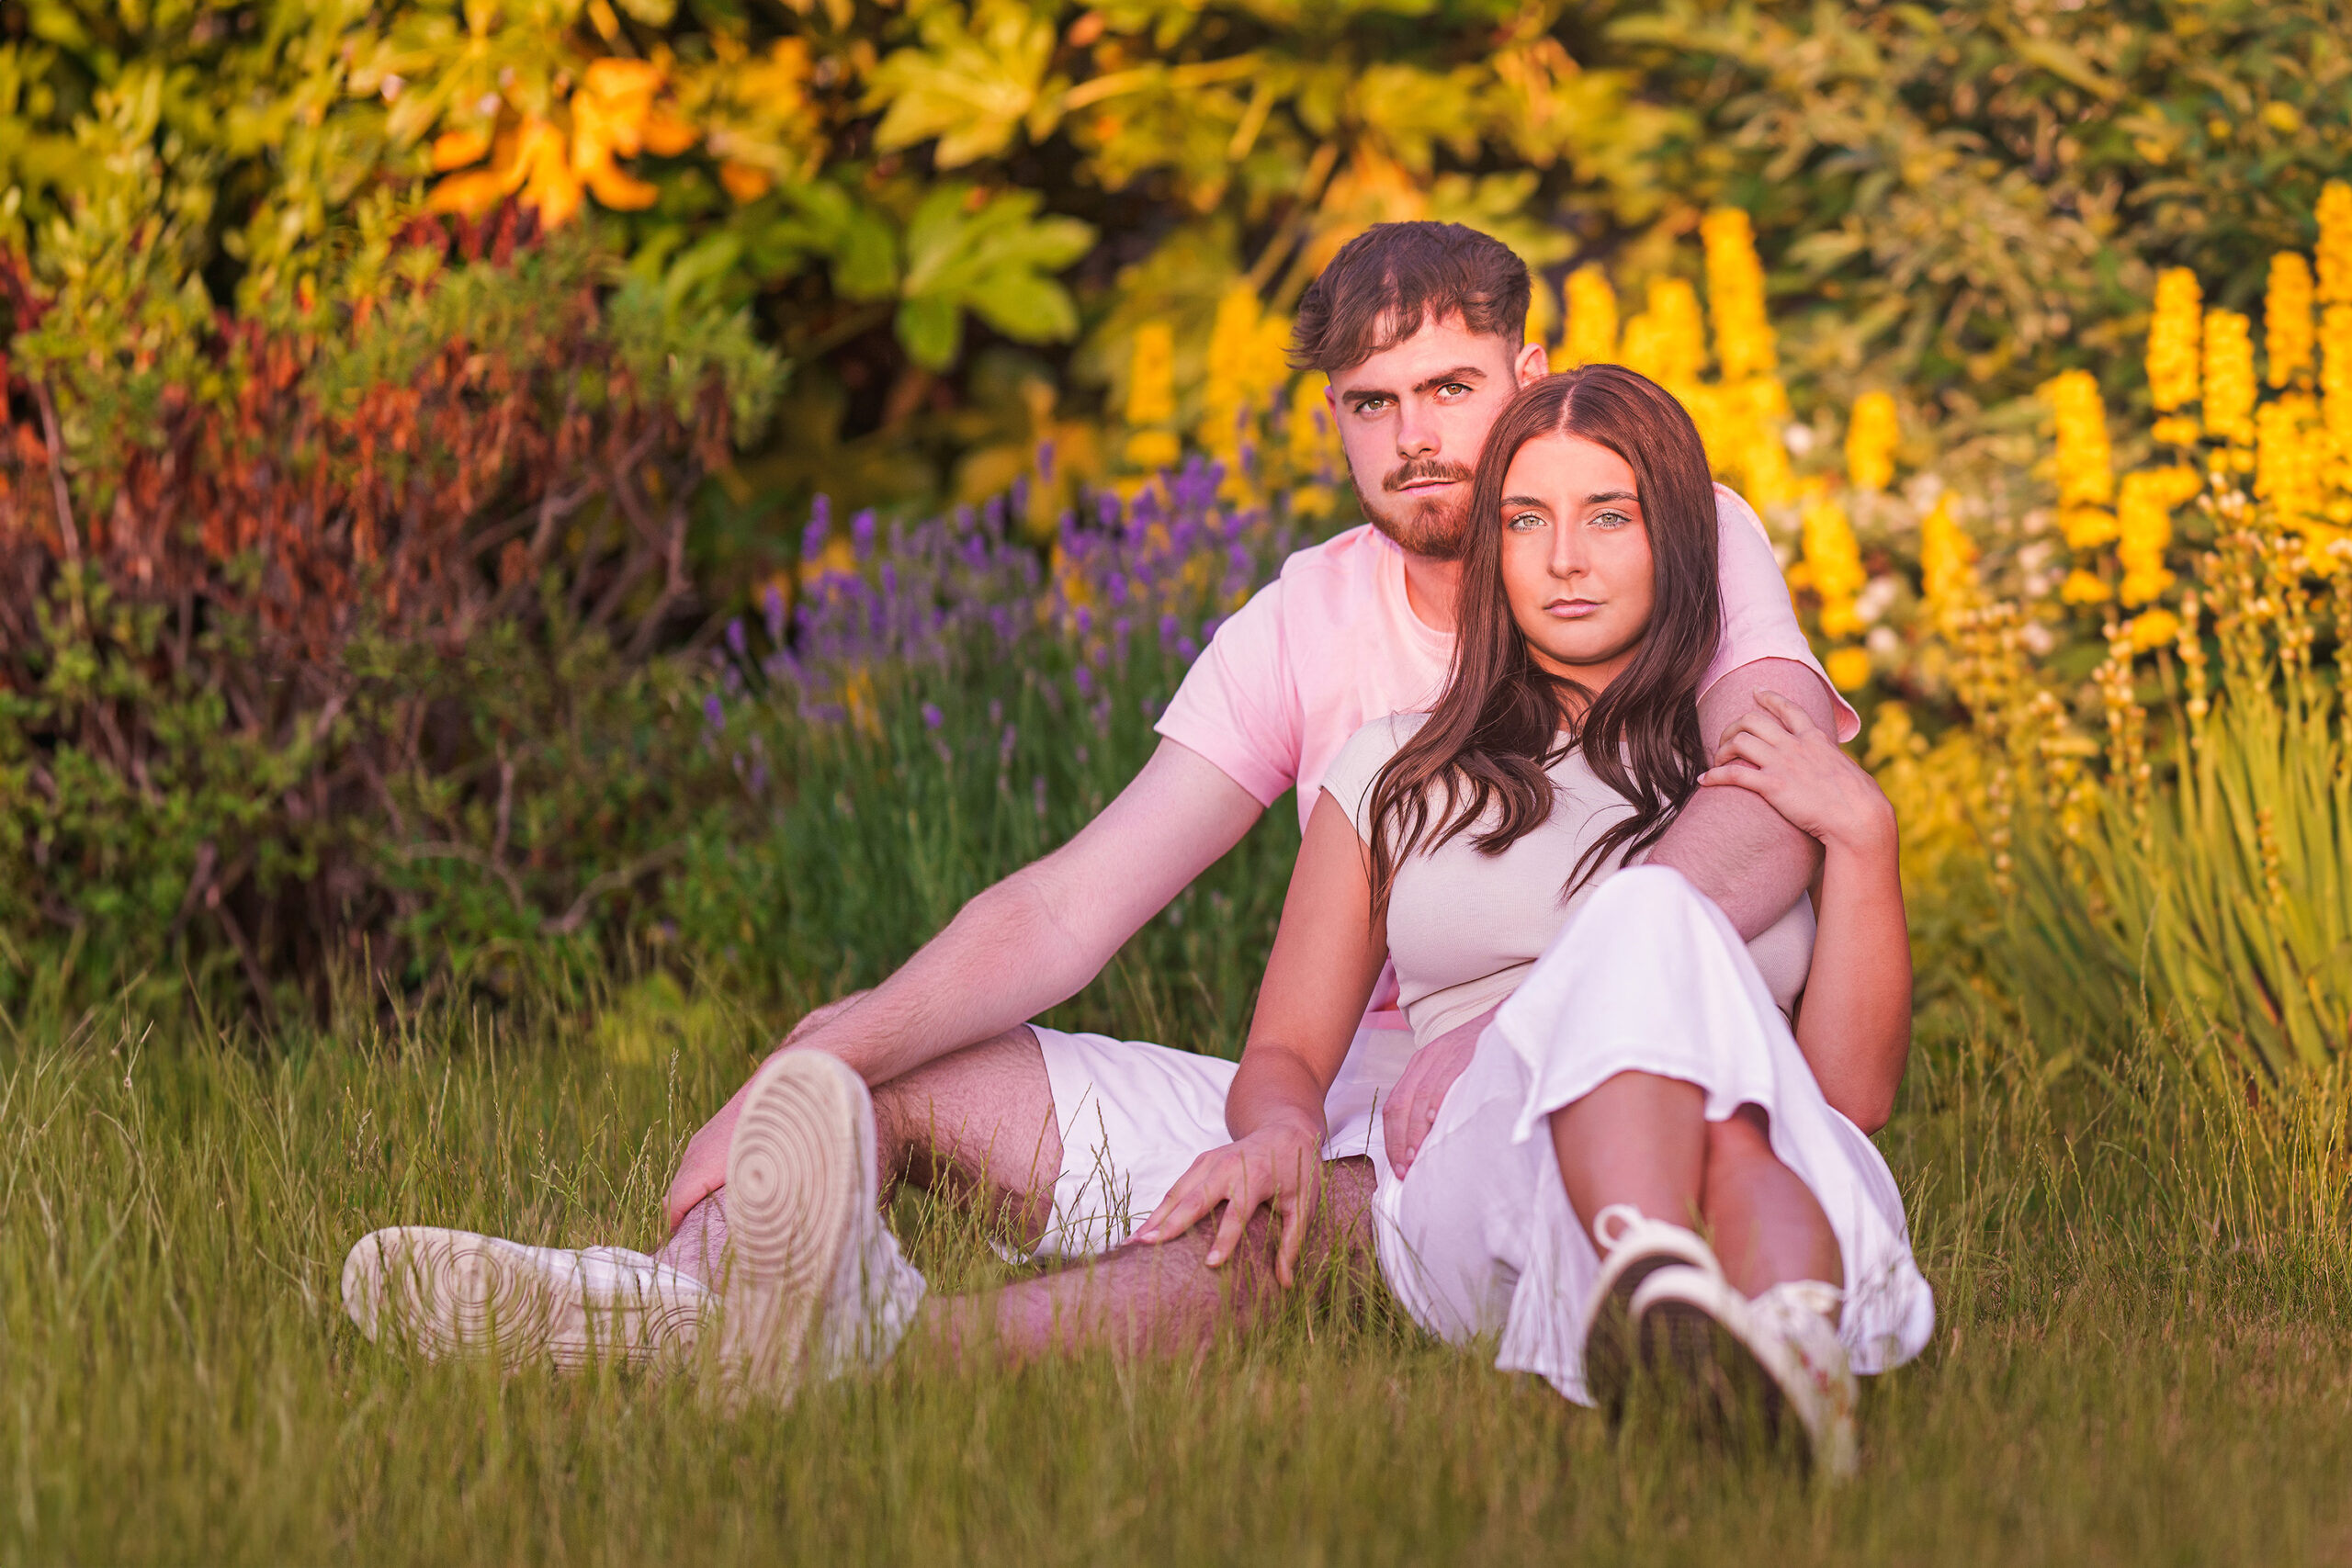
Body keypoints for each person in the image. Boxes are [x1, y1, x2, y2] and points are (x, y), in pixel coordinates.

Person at [342, 223, 1860, 1383]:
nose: (1415, 440)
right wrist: (818, 1053)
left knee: (1286, 1214)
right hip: (1327, 1079)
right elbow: (1075, 900)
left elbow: (1772, 799)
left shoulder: (1672, 536)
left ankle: (868, 1353)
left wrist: (1534, 1018)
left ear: (1529, 381)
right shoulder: (1304, 624)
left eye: (1453, 389)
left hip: (1553, 1104)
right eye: (1371, 403)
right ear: (1333, 421)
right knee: (892, 1082)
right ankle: (685, 1307)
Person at [1120, 366, 1932, 1472]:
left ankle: (1761, 1334)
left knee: (1732, 1102)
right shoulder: (1399, 772)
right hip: (1485, 1177)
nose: (1565, 559)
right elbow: (1281, 1053)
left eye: (1610, 516)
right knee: (1655, 920)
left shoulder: (1745, 781)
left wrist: (1866, 838)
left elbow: (1845, 1098)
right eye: (1526, 519)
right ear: (1490, 550)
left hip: (1764, 1154)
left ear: (1682, 541)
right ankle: (1681, 1284)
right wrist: (1279, 1132)